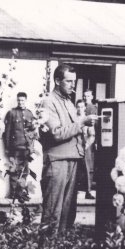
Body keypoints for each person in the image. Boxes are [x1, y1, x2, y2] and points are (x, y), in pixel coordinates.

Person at [40, 64, 97, 235]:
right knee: (53, 211)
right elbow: (56, 133)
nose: (73, 85)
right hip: (57, 161)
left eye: (74, 81)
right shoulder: (48, 102)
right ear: (57, 81)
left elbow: (75, 128)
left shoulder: (68, 102)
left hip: (73, 159)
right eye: (69, 81)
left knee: (67, 212)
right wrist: (81, 122)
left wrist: (85, 126)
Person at [3, 92, 34, 199]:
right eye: (19, 100)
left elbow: (32, 133)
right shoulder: (12, 113)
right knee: (14, 170)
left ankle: (20, 193)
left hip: (26, 148)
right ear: (17, 100)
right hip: (15, 147)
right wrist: (7, 147)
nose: (21, 102)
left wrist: (31, 148)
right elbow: (7, 132)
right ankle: (13, 193)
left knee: (25, 171)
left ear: (26, 100)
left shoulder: (29, 114)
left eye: (23, 100)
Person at [76, 99, 95, 199]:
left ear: (85, 108)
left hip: (85, 146)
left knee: (87, 169)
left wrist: (87, 145)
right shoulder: (73, 119)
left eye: (82, 107)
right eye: (78, 107)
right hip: (74, 147)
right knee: (74, 169)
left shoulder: (87, 119)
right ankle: (74, 191)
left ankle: (88, 191)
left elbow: (92, 135)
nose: (80, 109)